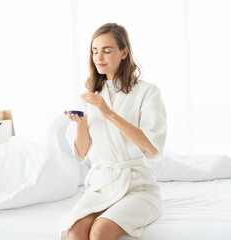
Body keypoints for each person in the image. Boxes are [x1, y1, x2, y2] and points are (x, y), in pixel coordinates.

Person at [59, 23, 167, 240]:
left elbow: (153, 148)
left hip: (137, 186)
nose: (99, 56)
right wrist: (81, 125)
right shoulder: (89, 94)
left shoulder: (147, 92)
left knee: (99, 231)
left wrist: (109, 114)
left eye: (107, 50)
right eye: (95, 50)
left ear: (124, 52)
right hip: (102, 184)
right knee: (75, 230)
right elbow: (81, 155)